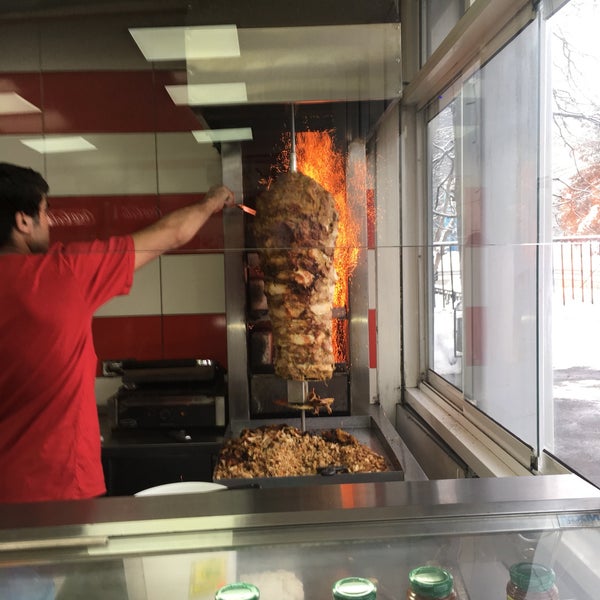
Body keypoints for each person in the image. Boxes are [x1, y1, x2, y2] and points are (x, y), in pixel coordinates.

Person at [0, 162, 234, 504]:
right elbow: (172, 234)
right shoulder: (63, 272)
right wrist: (211, 202)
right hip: (63, 491)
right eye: (45, 212)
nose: (49, 222)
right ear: (23, 221)